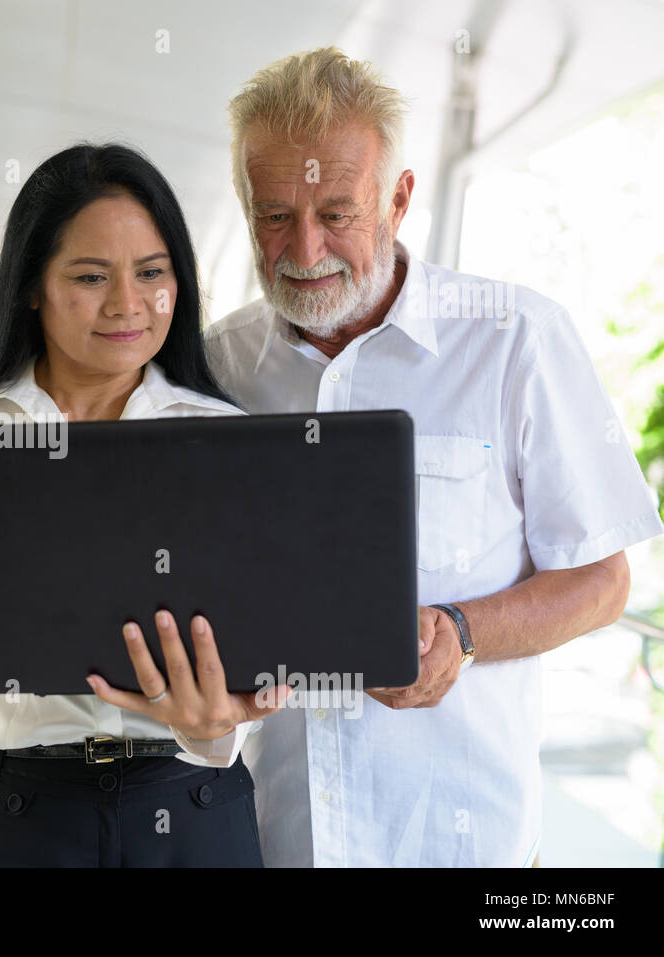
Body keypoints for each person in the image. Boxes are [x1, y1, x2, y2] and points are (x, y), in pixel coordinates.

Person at [100, 47, 663, 867]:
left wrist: (464, 634)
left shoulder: (515, 342)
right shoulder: (209, 372)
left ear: (398, 200)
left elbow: (603, 580)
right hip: (271, 842)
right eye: (273, 215)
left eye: (336, 212)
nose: (303, 247)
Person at [0, 143, 289, 867]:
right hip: (22, 811)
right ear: (30, 286)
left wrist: (213, 720)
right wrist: (142, 577)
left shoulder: (223, 437)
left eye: (151, 273)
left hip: (193, 800)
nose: (127, 304)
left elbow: (248, 640)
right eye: (89, 276)